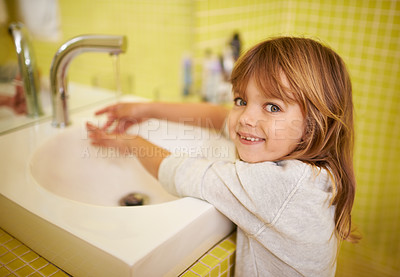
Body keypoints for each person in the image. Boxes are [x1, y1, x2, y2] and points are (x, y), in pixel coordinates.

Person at [86, 36, 359, 276]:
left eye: (272, 106)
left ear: (315, 124)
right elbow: (219, 117)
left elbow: (180, 171)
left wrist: (132, 142)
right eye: (241, 100)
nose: (246, 118)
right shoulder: (315, 169)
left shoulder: (280, 185)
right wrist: (147, 110)